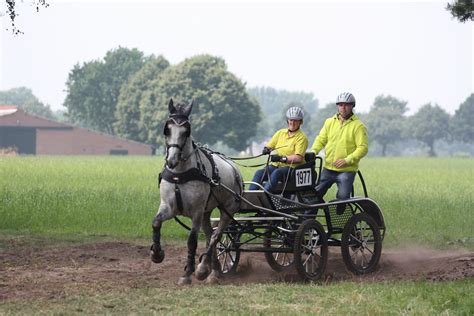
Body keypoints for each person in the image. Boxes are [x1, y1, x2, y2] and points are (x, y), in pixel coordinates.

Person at [310, 92, 368, 214]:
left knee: (342, 197)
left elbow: (363, 148)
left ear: (352, 106)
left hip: (347, 170)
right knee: (313, 196)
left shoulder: (358, 126)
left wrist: (347, 160)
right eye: (341, 105)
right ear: (337, 106)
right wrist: (313, 152)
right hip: (328, 168)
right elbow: (321, 139)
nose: (343, 107)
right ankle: (308, 222)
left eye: (346, 105)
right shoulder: (329, 122)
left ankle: (340, 212)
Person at [249, 106, 308, 192]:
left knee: (277, 173)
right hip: (277, 165)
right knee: (259, 173)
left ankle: (265, 195)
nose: (292, 122)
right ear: (287, 120)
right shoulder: (280, 133)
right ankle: (250, 196)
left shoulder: (302, 138)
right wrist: (266, 149)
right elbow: (270, 145)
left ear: (301, 122)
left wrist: (281, 158)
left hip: (292, 169)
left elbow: (298, 158)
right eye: (291, 120)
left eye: (296, 120)